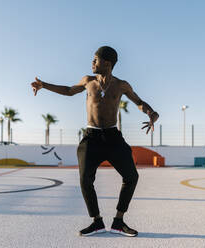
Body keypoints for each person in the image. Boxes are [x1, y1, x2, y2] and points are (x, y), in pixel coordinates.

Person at [31, 46, 159, 237]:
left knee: (132, 177)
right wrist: (44, 85)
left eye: (95, 60)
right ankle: (97, 221)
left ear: (107, 63)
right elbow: (68, 90)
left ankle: (118, 221)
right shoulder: (88, 81)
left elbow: (139, 102)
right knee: (85, 180)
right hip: (91, 138)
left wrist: (152, 113)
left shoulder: (121, 85)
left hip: (113, 137)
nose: (92, 62)